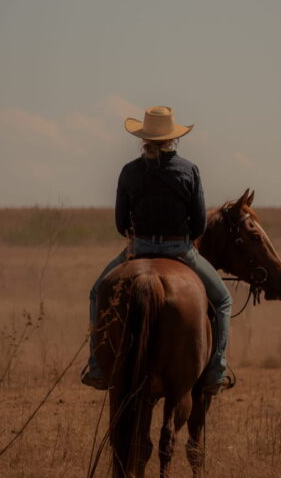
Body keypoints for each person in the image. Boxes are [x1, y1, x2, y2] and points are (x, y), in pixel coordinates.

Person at [81, 106, 234, 395]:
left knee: (95, 293)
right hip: (180, 250)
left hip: (137, 248)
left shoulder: (129, 171)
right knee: (223, 301)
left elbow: (119, 222)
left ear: (144, 138)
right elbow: (200, 223)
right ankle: (216, 370)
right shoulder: (189, 169)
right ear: (173, 139)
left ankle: (97, 368)